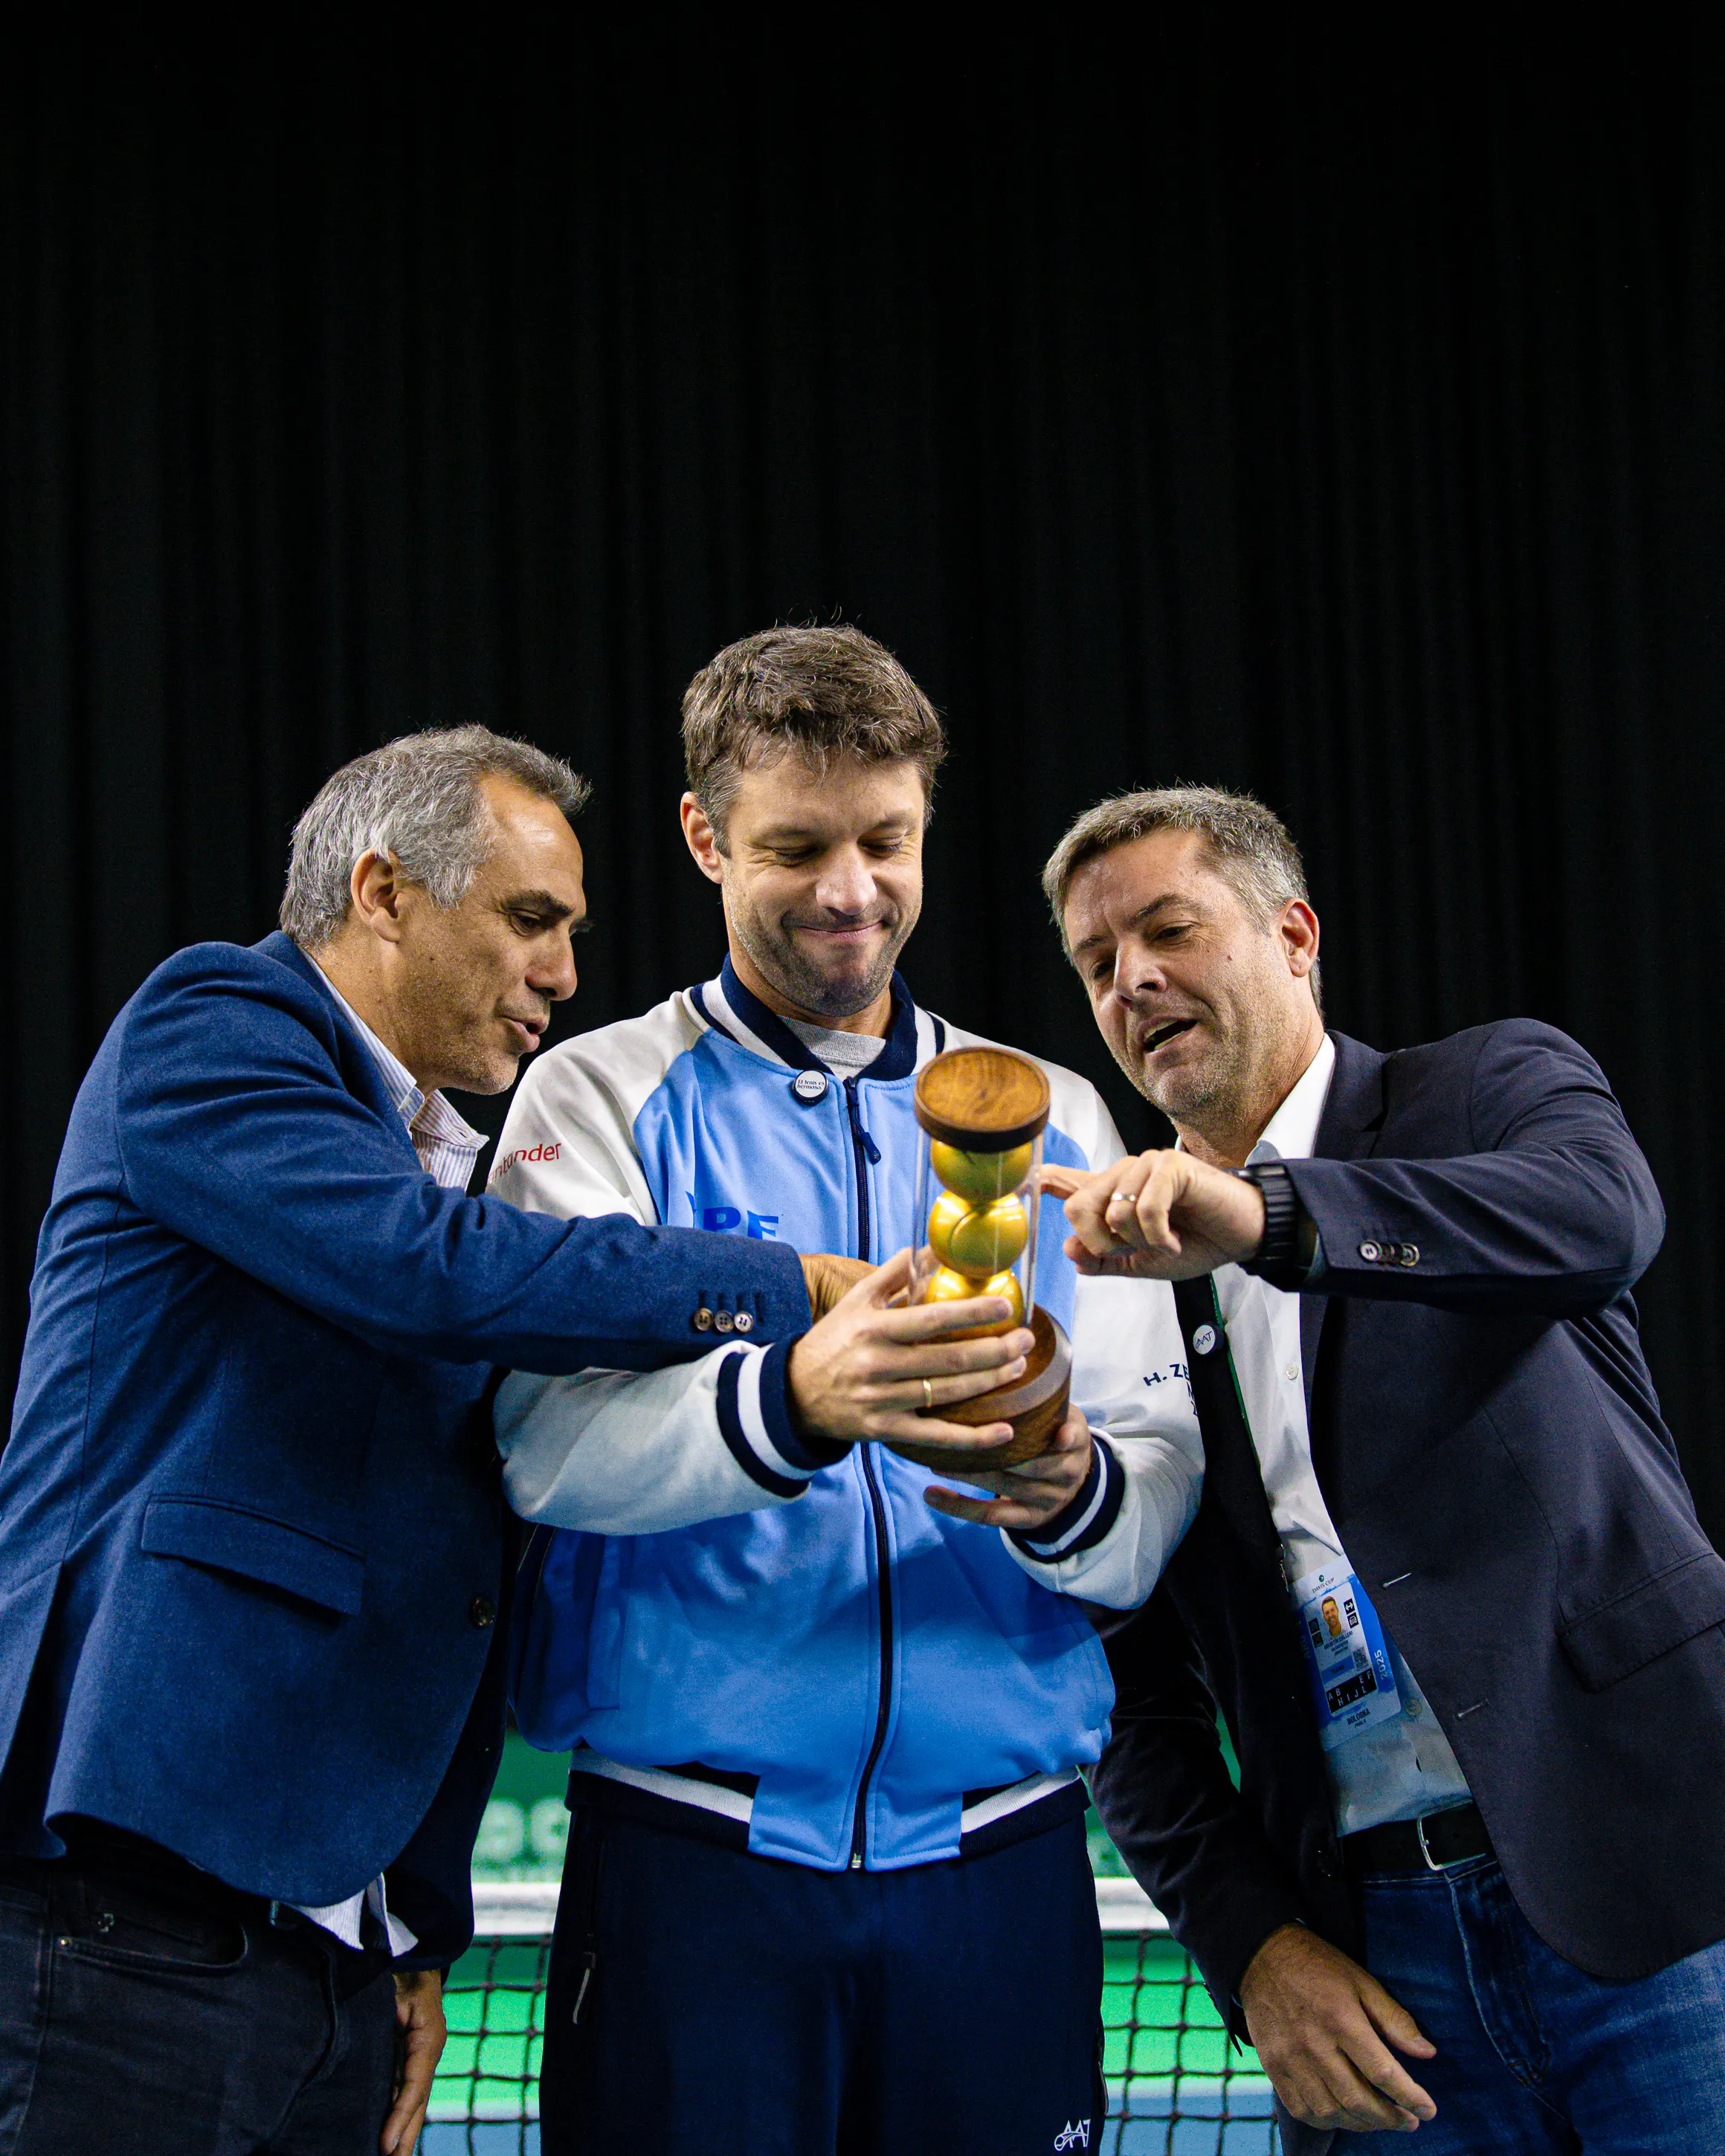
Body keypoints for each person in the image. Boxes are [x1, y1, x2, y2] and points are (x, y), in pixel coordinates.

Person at [0, 725, 1019, 2156]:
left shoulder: (430, 1146)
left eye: (576, 932)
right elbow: (432, 1269)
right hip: (124, 1901)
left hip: (332, 1946)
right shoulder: (213, 1025)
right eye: (531, 921)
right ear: (383, 892)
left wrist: (414, 1922)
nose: (565, 975)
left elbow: (457, 1557)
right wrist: (789, 1287)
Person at [488, 627, 1205, 2156]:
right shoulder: (595, 1095)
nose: (849, 890)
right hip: (691, 1867)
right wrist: (792, 1403)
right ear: (702, 837)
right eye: (794, 846)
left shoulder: (1056, 1108)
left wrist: (1069, 1489)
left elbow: (1150, 1507)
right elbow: (541, 1449)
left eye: (885, 841)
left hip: (1002, 1875)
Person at [1039, 784, 1725, 2154]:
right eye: (1097, 964)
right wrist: (1249, 1950)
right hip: (1368, 1971)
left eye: (1169, 930)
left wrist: (1270, 1216)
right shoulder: (1112, 1281)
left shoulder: (1485, 1085)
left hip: (1663, 1884)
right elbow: (1126, 1682)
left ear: (1294, 936)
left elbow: (1602, 1215)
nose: (1133, 981)